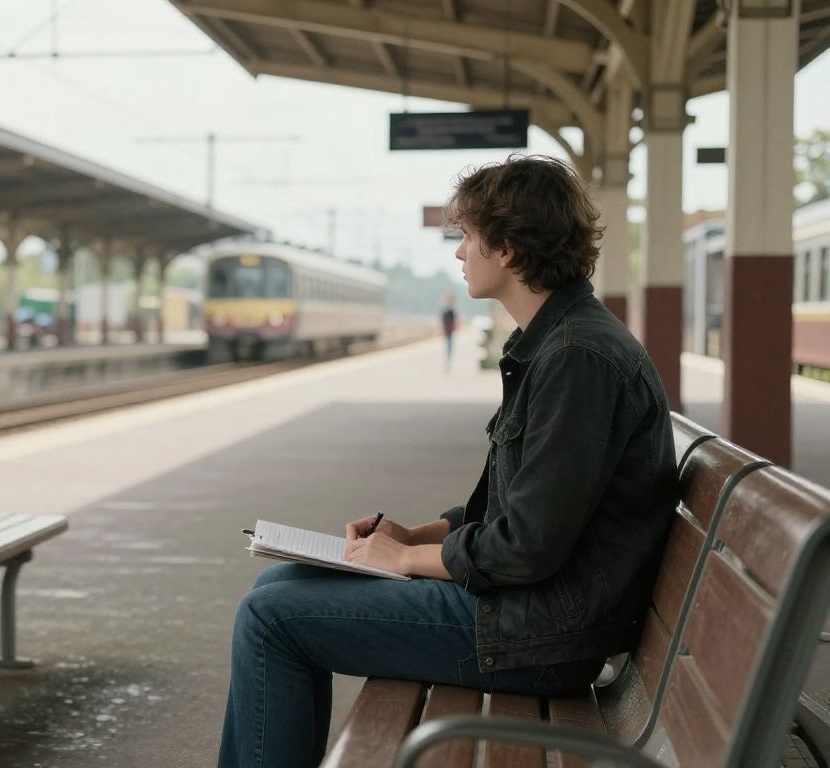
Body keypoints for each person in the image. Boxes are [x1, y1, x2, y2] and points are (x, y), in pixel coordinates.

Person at [217, 156, 679, 768]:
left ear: (508, 249)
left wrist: (407, 560)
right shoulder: (561, 343)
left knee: (270, 618)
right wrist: (414, 534)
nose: (460, 253)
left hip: (536, 636)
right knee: (280, 583)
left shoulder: (577, 359)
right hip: (538, 614)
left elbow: (526, 545)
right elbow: (513, 509)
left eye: (467, 237)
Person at [440, 292, 458, 371]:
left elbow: (454, 321)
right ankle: (447, 361)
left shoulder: (450, 310)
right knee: (448, 347)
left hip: (449, 331)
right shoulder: (446, 310)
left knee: (449, 347)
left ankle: (448, 361)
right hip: (447, 331)